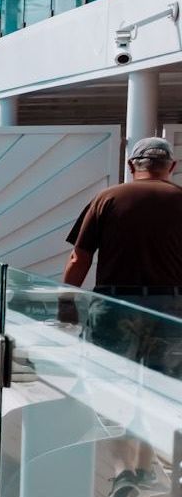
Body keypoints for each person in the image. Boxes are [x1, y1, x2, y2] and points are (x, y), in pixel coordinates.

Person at [63, 136, 182, 375]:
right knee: (167, 390)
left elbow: (79, 258)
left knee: (109, 382)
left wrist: (66, 301)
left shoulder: (107, 198)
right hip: (172, 306)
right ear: (171, 166)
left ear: (131, 165)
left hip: (115, 304)